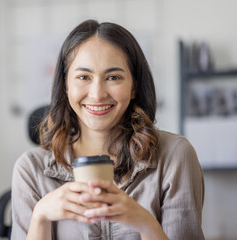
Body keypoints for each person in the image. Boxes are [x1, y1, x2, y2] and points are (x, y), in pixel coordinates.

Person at [11, 19, 205, 240]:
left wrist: (147, 224)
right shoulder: (30, 170)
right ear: (66, 86)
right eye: (83, 77)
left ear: (134, 87)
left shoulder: (175, 157)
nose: (97, 93)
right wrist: (40, 218)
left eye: (113, 77)